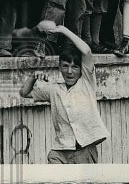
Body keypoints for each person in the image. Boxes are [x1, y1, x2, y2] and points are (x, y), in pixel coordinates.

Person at [19, 19, 108, 164]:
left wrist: (64, 31)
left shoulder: (86, 83)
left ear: (81, 69)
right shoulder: (54, 89)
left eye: (75, 67)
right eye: (65, 66)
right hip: (60, 152)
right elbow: (24, 92)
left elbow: (86, 51)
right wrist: (33, 76)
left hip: (84, 150)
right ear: (59, 67)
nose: (69, 71)